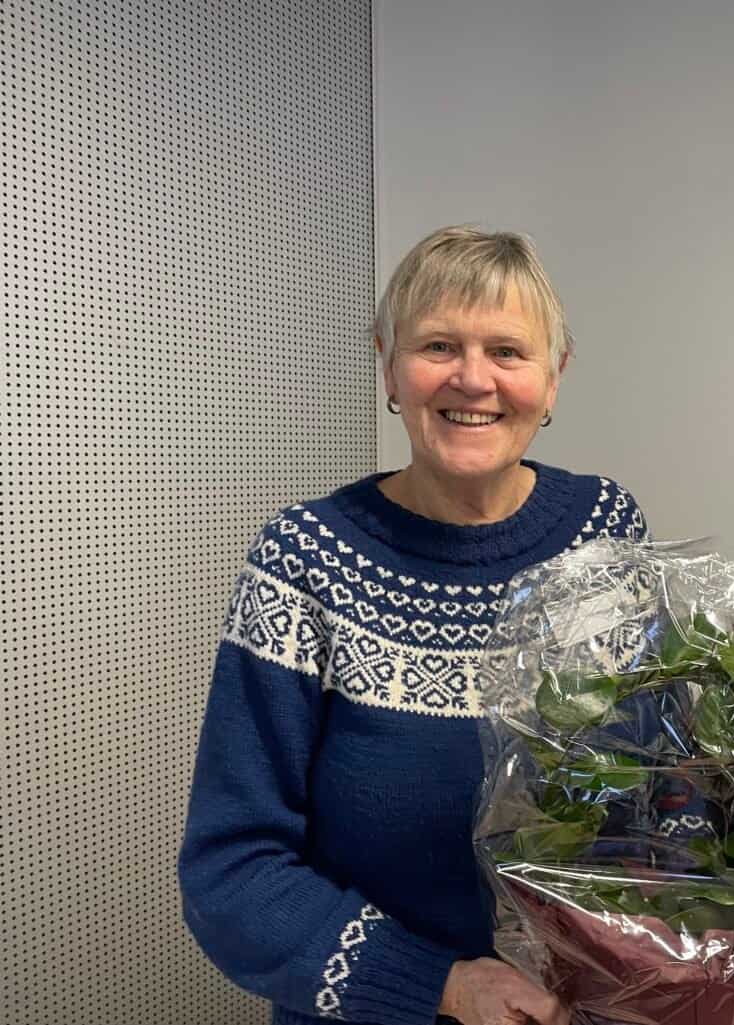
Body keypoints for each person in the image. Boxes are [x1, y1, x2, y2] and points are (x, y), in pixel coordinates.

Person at [178, 226, 648, 1025]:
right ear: (389, 364)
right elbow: (233, 870)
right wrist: (445, 985)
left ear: (554, 376)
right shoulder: (307, 558)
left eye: (508, 350)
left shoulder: (606, 529)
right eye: (438, 345)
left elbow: (648, 785)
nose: (473, 378)